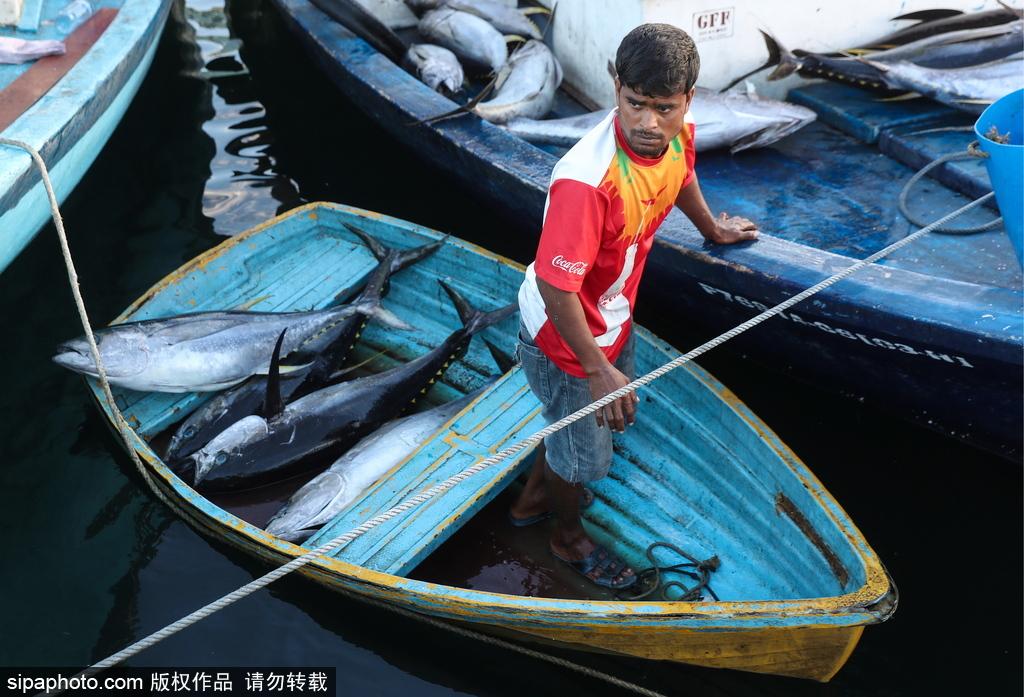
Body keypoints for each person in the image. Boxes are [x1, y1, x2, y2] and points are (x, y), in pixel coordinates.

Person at [510, 23, 759, 590]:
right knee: (586, 460)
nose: (649, 123)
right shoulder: (587, 181)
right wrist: (596, 369)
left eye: (664, 108)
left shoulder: (678, 132)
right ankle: (565, 536)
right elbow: (557, 288)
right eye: (635, 104)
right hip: (566, 342)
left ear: (688, 100)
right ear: (615, 86)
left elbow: (682, 173)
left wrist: (713, 230)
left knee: (576, 437)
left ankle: (531, 499)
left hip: (613, 315)